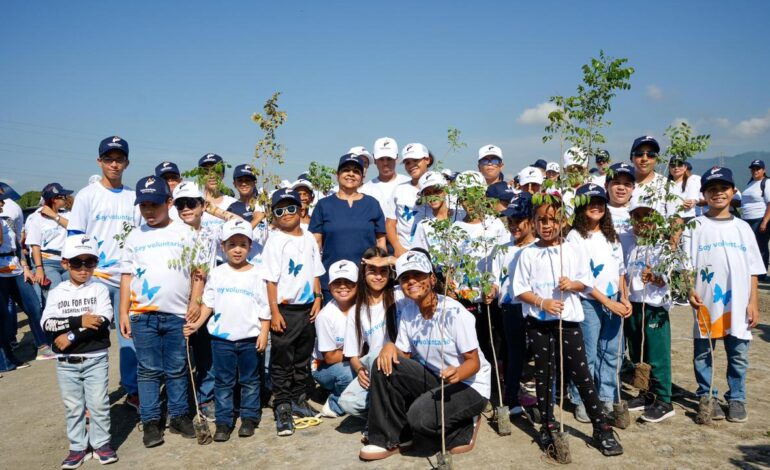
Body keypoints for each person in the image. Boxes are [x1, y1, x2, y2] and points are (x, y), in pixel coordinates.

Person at [512, 196, 623, 457]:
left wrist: (571, 285)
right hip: (539, 323)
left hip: (569, 323)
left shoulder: (572, 249)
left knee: (581, 374)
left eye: (552, 219)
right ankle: (549, 426)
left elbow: (586, 283)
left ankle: (601, 427)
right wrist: (542, 302)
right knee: (544, 374)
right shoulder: (527, 253)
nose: (547, 225)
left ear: (563, 220)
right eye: (541, 220)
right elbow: (520, 290)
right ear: (533, 223)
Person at [359, 249, 491, 461]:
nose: (411, 282)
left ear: (431, 278)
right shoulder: (409, 312)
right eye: (405, 278)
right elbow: (403, 357)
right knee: (383, 364)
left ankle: (465, 424)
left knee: (420, 419)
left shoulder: (455, 313)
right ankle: (388, 438)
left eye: (418, 275)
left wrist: (457, 373)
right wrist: (389, 347)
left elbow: (473, 362)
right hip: (437, 379)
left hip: (469, 384)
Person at [119, 175, 206, 448]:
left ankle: (180, 416)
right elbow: (126, 277)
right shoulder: (135, 236)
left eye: (154, 205)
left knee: (178, 367)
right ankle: (151, 422)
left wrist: (195, 301)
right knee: (148, 370)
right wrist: (123, 312)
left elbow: (198, 271)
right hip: (142, 314)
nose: (148, 211)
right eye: (143, 205)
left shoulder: (185, 233)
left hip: (176, 313)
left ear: (169, 203)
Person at [684, 167, 763, 423]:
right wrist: (689, 289)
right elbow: (686, 264)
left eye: (723, 189)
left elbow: (753, 269)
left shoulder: (743, 228)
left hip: (739, 305)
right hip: (706, 304)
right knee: (704, 352)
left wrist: (754, 303)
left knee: (739, 354)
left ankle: (737, 397)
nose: (718, 194)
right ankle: (707, 395)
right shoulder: (695, 226)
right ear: (704, 194)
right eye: (712, 190)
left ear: (733, 191)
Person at [68, 136, 141, 409]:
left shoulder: (134, 198)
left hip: (125, 278)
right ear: (99, 161)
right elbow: (75, 238)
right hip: (95, 278)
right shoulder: (87, 196)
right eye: (108, 159)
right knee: (92, 339)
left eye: (119, 159)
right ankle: (92, 400)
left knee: (128, 337)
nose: (114, 164)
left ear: (127, 162)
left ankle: (133, 390)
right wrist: (80, 275)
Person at [184, 219, 270, 441]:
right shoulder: (217, 273)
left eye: (242, 244)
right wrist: (196, 325)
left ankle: (250, 418)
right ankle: (224, 422)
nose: (237, 249)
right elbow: (209, 304)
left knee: (250, 380)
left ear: (250, 246)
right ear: (223, 247)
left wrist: (264, 332)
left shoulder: (258, 273)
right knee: (223, 382)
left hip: (250, 338)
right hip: (221, 340)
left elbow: (264, 307)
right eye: (232, 245)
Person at [41, 235, 118, 467]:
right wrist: (79, 319)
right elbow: (47, 324)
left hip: (95, 358)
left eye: (90, 262)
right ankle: (77, 447)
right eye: (77, 263)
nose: (83, 269)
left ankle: (101, 443)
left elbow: (103, 320)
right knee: (73, 407)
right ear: (65, 263)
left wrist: (72, 334)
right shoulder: (57, 292)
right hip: (66, 362)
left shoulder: (99, 289)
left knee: (99, 404)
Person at [565, 184, 631, 422]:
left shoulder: (610, 235)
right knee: (588, 354)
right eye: (589, 202)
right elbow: (581, 279)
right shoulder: (574, 237)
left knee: (611, 352)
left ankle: (606, 396)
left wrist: (623, 297)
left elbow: (620, 269)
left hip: (614, 299)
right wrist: (607, 302)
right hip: (589, 303)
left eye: (600, 202)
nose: (596, 206)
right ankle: (582, 398)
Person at [263, 188, 325, 436]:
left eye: (291, 208)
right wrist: (274, 312)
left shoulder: (309, 237)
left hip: (307, 308)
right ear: (274, 215)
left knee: (303, 356)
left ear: (301, 210)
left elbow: (315, 271)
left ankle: (299, 399)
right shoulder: (275, 240)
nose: (286, 214)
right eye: (280, 210)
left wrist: (318, 297)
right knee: (281, 359)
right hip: (285, 309)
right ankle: (282, 404)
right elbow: (270, 280)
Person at [625, 197, 675, 422]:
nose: (643, 222)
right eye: (638, 217)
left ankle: (664, 399)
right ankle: (645, 392)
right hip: (633, 304)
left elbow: (670, 280)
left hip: (654, 307)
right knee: (637, 351)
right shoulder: (629, 243)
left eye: (648, 217)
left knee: (657, 353)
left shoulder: (663, 246)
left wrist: (654, 278)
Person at [172, 181, 219, 420]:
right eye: (180, 205)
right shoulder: (171, 235)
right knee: (178, 358)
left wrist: (197, 302)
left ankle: (206, 398)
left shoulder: (212, 234)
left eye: (191, 203)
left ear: (202, 205)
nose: (186, 209)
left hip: (204, 302)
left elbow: (201, 272)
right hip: (177, 303)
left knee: (205, 353)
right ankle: (178, 405)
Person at [310, 154, 386, 300]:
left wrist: (379, 272)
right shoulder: (323, 205)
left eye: (356, 171)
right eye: (346, 170)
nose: (351, 174)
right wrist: (316, 280)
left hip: (366, 279)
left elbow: (380, 243)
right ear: (337, 175)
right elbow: (315, 246)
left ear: (362, 178)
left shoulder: (372, 204)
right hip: (332, 281)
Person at [338, 247, 401, 418]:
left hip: (401, 363)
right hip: (376, 370)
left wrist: (391, 260)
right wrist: (360, 371)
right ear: (363, 274)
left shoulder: (401, 295)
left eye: (384, 271)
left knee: (377, 355)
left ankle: (380, 423)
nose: (379, 276)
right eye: (372, 271)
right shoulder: (356, 312)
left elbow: (420, 269)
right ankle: (386, 414)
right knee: (347, 402)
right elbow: (352, 355)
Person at [490, 192, 537, 415]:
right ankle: (511, 398)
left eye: (519, 220)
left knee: (538, 353)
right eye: (510, 221)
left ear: (531, 220)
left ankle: (543, 394)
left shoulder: (540, 248)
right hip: (511, 308)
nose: (514, 226)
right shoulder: (502, 248)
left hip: (536, 308)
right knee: (514, 353)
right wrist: (492, 289)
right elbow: (495, 277)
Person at [312, 259, 357, 418]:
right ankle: (335, 402)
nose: (343, 286)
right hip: (325, 367)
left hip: (351, 357)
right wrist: (359, 354)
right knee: (350, 373)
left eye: (349, 282)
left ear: (358, 285)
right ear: (330, 287)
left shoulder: (363, 307)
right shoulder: (325, 316)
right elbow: (330, 357)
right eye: (337, 283)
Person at [26, 183, 72, 306]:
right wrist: (39, 268)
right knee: (55, 296)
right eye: (63, 196)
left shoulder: (67, 214)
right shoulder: (37, 217)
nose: (66, 199)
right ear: (54, 199)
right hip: (48, 262)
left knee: (72, 295)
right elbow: (35, 245)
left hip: (67, 261)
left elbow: (74, 227)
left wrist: (54, 215)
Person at [384, 144, 433, 257]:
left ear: (427, 160)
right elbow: (390, 224)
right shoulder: (399, 189)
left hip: (435, 254)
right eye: (407, 162)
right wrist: (397, 248)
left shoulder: (440, 187)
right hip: (406, 253)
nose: (411, 165)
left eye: (415, 160)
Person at [412, 171, 461, 252]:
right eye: (427, 193)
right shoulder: (423, 225)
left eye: (437, 191)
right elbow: (418, 254)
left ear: (446, 191)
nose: (432, 196)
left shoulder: (460, 216)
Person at [360, 137, 411, 212]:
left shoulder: (410, 184)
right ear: (374, 160)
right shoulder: (364, 190)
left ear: (397, 158)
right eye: (381, 159)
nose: (385, 163)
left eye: (389, 159)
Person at [740, 159, 770, 282]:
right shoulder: (751, 183)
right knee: (749, 246)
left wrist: (765, 221)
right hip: (747, 219)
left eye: (758, 169)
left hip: (759, 219)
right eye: (753, 169)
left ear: (764, 170)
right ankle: (751, 272)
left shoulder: (766, 182)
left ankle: (761, 275)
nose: (755, 171)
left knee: (760, 247)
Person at [605, 162, 636, 262]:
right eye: (616, 183)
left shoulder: (640, 213)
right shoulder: (599, 213)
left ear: (633, 188)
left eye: (627, 184)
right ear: (606, 185)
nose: (621, 188)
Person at [667, 157, 701, 222]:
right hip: (669, 220)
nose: (676, 168)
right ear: (669, 168)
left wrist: (690, 203)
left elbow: (693, 199)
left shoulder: (690, 181)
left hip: (686, 218)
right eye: (673, 165)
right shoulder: (665, 184)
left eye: (679, 165)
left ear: (685, 167)